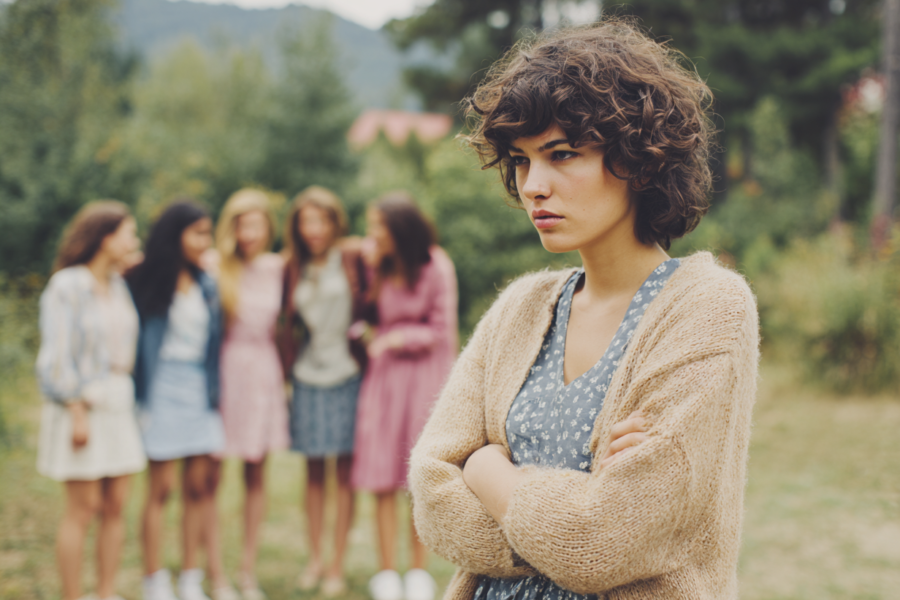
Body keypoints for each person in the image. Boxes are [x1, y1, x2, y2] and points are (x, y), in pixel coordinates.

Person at [408, 21, 759, 600]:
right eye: (521, 161)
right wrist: (568, 506)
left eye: (562, 154)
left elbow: (605, 539)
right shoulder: (519, 308)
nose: (533, 187)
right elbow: (430, 484)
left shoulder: (708, 309)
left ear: (640, 161)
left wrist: (489, 471)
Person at [36, 201, 147, 600]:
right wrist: (77, 412)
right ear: (106, 237)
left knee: (117, 505)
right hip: (81, 406)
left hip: (119, 402)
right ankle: (72, 595)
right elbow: (57, 357)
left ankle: (105, 592)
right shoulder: (67, 285)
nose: (135, 241)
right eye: (129, 233)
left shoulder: (118, 284)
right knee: (84, 508)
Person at [126, 200, 235, 600]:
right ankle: (155, 580)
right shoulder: (143, 279)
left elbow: (213, 344)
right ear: (176, 236)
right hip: (160, 389)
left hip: (198, 390)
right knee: (161, 488)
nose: (206, 241)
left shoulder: (206, 282)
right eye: (199, 233)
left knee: (199, 486)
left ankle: (190, 578)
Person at [352, 192, 458, 600]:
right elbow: (359, 312)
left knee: (415, 477)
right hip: (384, 381)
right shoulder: (374, 262)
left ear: (400, 229)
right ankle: (385, 572)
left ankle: (416, 571)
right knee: (381, 475)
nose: (371, 233)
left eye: (378, 225)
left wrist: (395, 338)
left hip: (424, 380)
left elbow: (440, 331)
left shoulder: (436, 265)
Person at [278, 186, 371, 597]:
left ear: (336, 223)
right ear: (297, 228)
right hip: (307, 376)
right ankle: (315, 559)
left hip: (349, 373)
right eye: (306, 222)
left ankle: (337, 563)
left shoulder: (353, 258)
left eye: (321, 220)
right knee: (314, 472)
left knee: (345, 475)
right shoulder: (291, 267)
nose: (314, 229)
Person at [213, 188, 290, 600]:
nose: (250, 232)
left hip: (263, 372)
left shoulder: (277, 267)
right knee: (212, 477)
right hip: (226, 371)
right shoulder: (215, 266)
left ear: (267, 228)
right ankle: (215, 572)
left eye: (257, 223)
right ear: (232, 227)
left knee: (256, 473)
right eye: (242, 224)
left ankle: (246, 570)